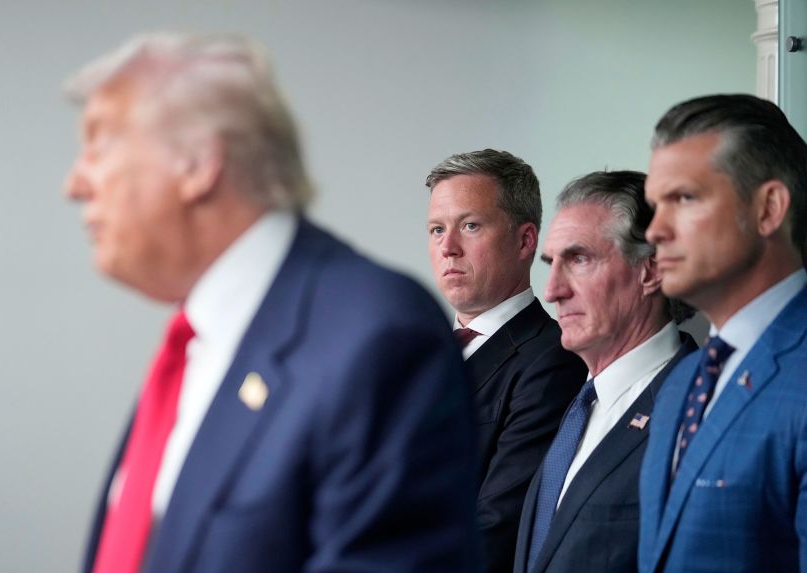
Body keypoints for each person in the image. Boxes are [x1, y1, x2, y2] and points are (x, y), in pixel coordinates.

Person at [64, 32, 479, 573]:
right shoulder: (195, 344)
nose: (75, 183)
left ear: (196, 163)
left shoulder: (379, 337)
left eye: (100, 145)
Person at [639, 94, 807, 573]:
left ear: (769, 209)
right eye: (655, 205)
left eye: (684, 198)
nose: (654, 230)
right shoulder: (681, 383)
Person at [513, 171, 696, 573]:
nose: (552, 290)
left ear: (651, 270)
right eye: (551, 264)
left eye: (578, 260)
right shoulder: (579, 405)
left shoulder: (699, 408)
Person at [426, 149, 586, 572]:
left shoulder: (553, 359)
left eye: (470, 225)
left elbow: (498, 525)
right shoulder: (420, 359)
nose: (448, 247)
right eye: (437, 229)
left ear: (525, 240)